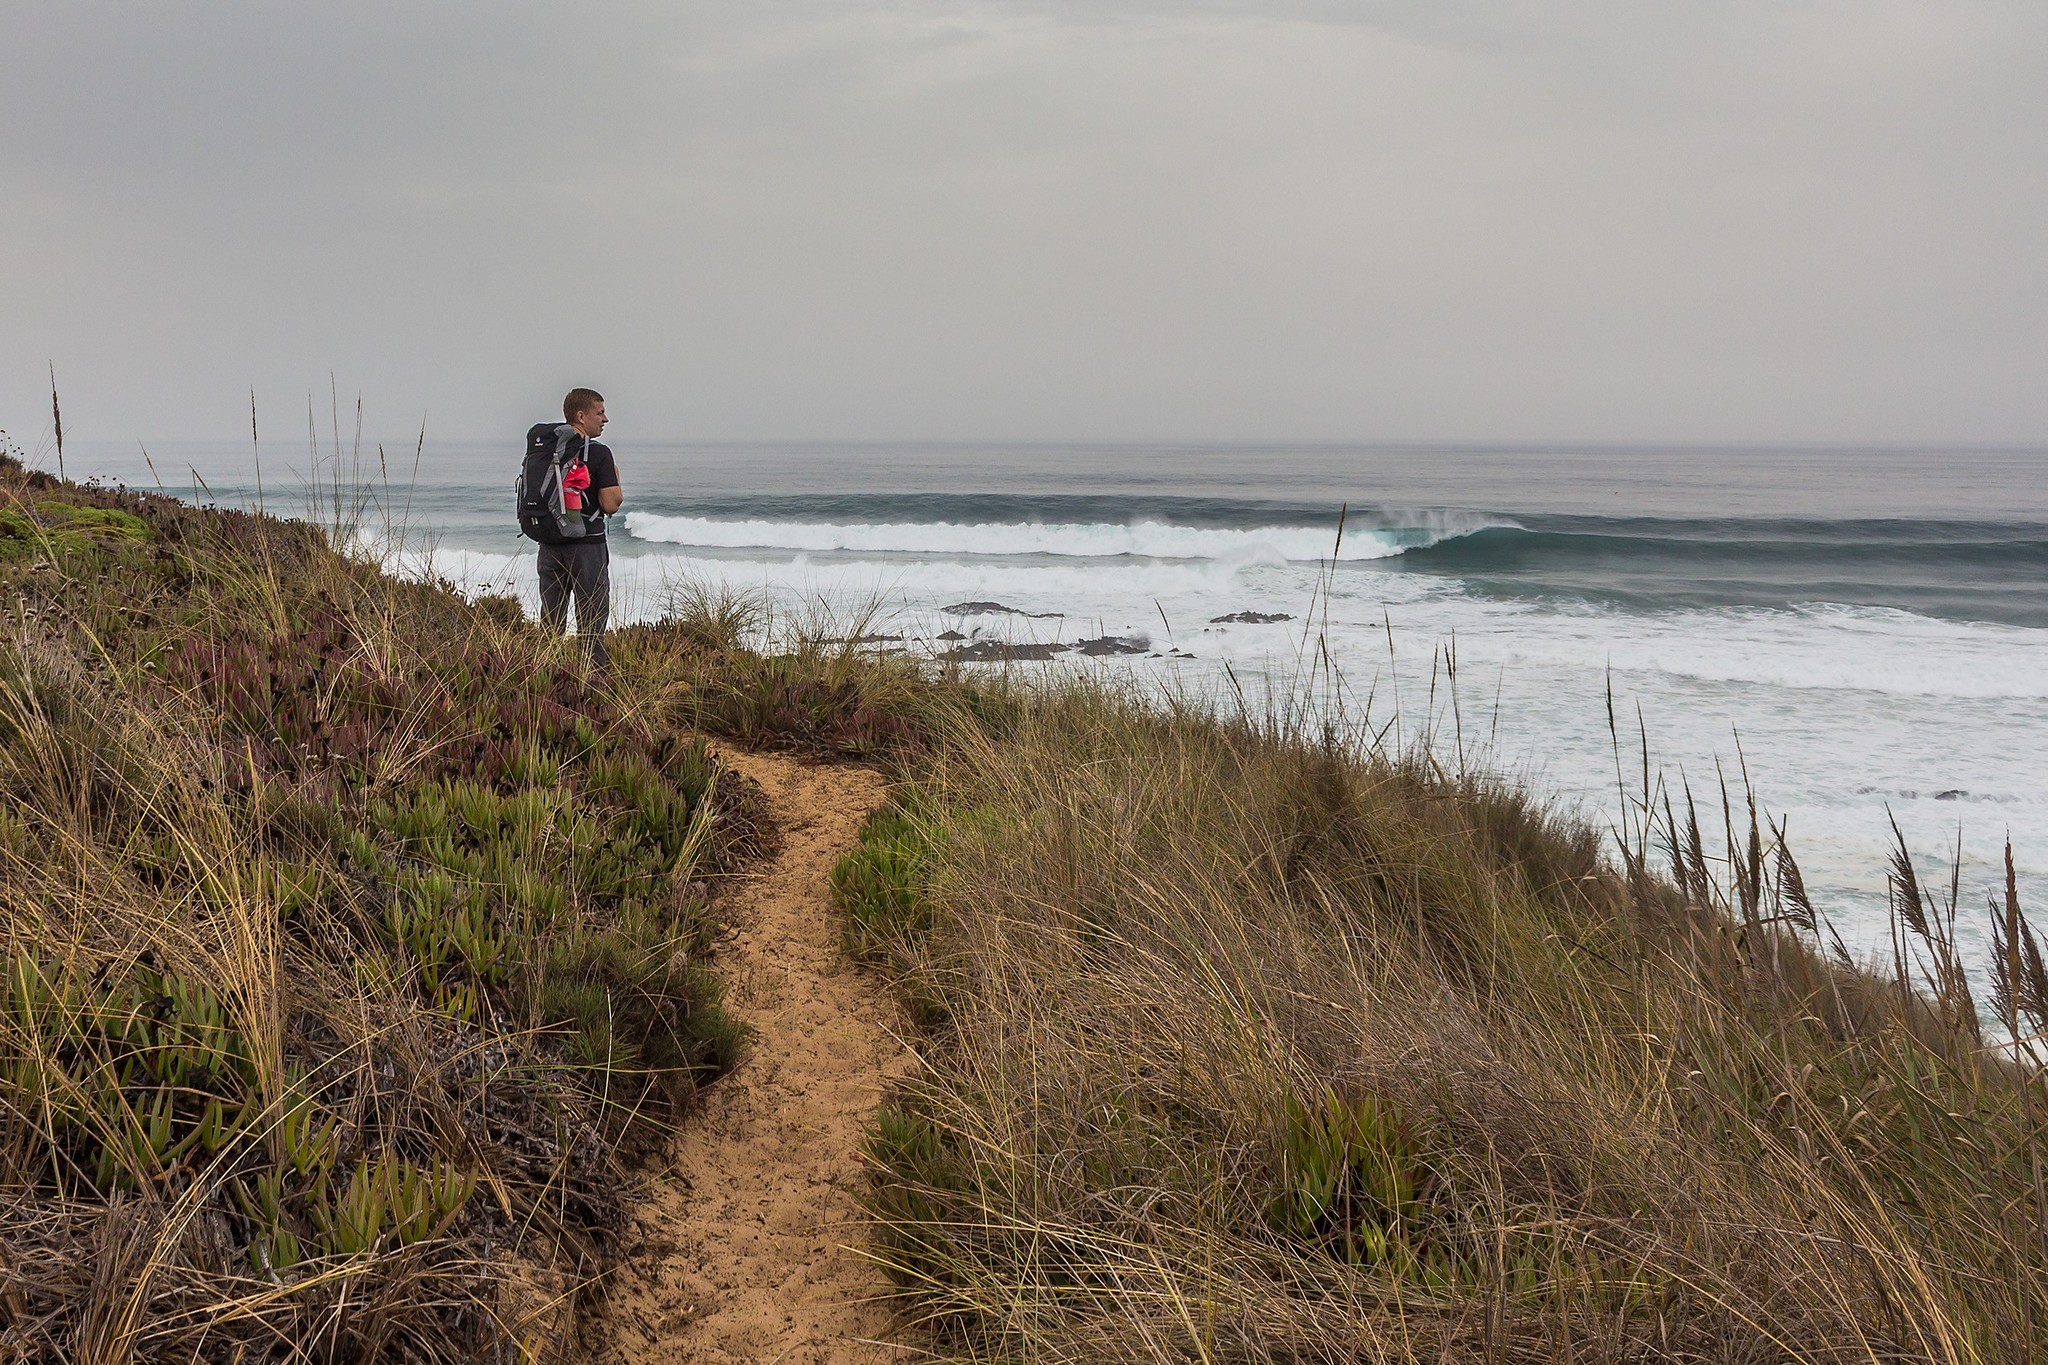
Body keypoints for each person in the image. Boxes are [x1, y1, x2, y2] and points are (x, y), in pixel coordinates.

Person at [537, 387, 622, 668]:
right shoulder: (598, 454)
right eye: (600, 413)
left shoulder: (546, 451)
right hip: (587, 547)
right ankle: (592, 686)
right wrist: (616, 480)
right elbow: (610, 504)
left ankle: (544, 680)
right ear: (581, 416)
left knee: (550, 623)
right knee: (591, 623)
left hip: (550, 544)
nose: (605, 419)